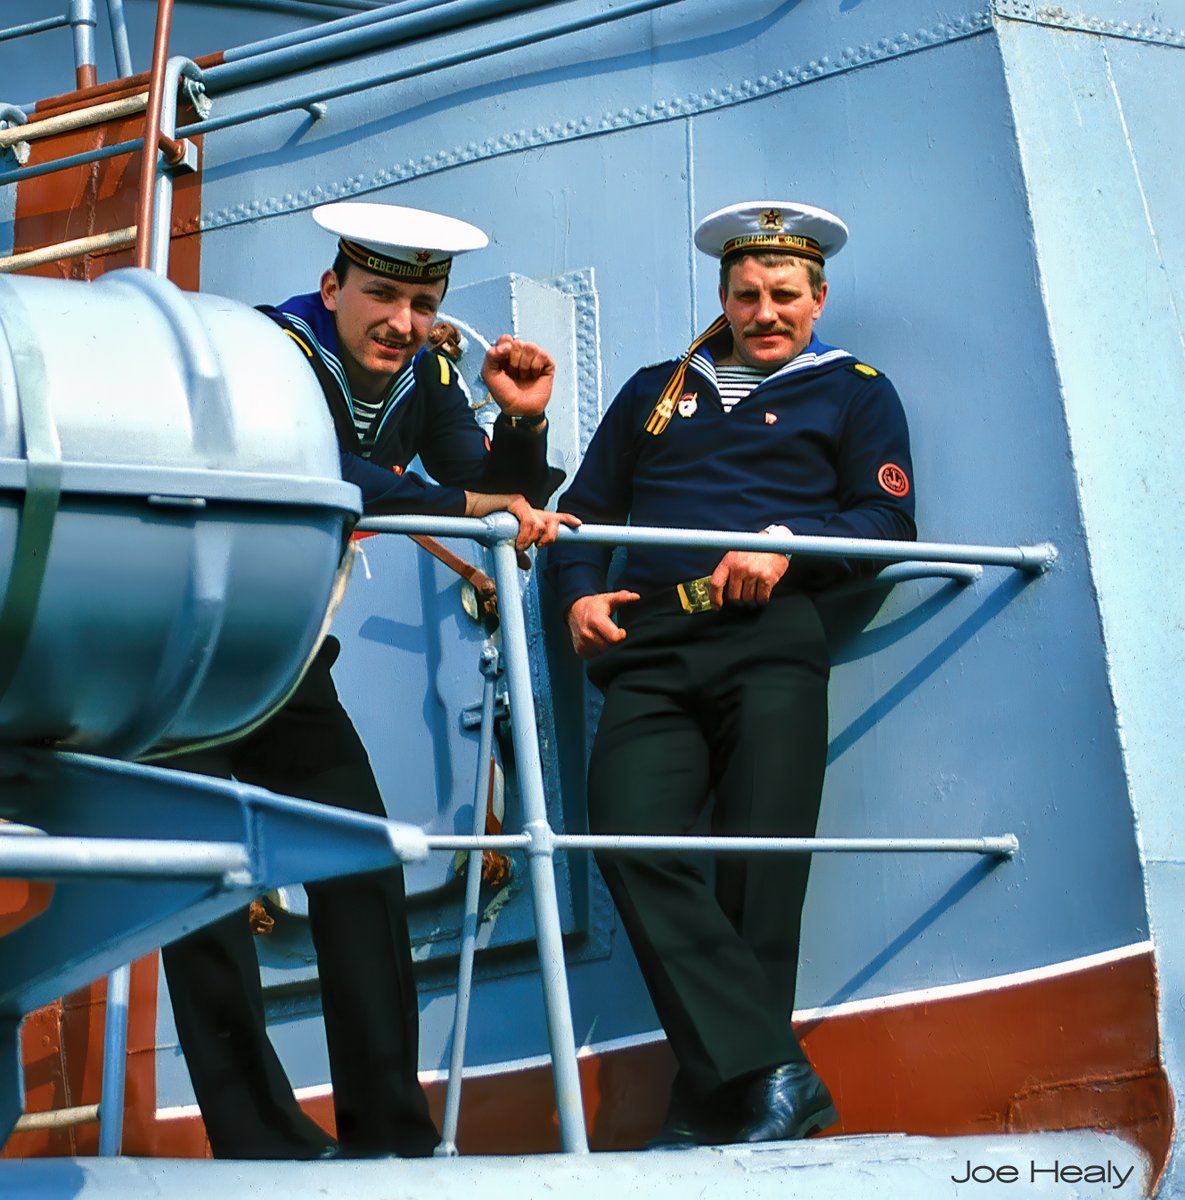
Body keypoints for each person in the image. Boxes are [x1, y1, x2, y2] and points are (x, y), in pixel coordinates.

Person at [162, 201, 575, 1160]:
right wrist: (469, 496)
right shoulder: (275, 351)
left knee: (364, 861)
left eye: (423, 301)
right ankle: (255, 1134)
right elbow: (325, 467)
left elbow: (481, 491)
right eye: (382, 294)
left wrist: (521, 426)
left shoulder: (426, 372)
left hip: (290, 656)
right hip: (188, 650)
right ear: (333, 288)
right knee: (202, 885)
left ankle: (387, 1133)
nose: (403, 319)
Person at [545, 200, 916, 1147]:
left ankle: (716, 1103)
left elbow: (886, 527)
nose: (765, 312)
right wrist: (582, 592)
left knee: (762, 873)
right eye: (747, 294)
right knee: (625, 836)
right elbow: (578, 515)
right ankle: (773, 1073)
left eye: (784, 295)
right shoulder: (653, 392)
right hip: (652, 649)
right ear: (723, 294)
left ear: (817, 296)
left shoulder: (854, 390)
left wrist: (789, 546)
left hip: (768, 638)